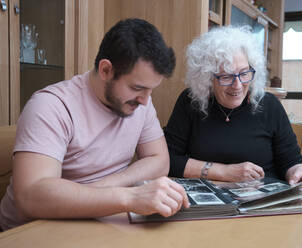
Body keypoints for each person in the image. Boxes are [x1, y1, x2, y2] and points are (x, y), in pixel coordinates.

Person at [0, 18, 189, 231]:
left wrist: (105, 188)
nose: (145, 100)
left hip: (97, 221)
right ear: (106, 70)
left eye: (151, 90)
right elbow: (31, 197)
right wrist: (129, 196)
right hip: (34, 230)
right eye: (137, 88)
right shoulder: (51, 106)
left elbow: (160, 160)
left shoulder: (140, 102)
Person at [165, 26, 302, 189]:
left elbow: (291, 160)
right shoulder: (191, 102)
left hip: (262, 201)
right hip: (208, 201)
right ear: (207, 77)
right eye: (226, 76)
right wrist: (224, 172)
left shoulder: (270, 105)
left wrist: (299, 171)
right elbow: (167, 160)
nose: (237, 85)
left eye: (244, 73)